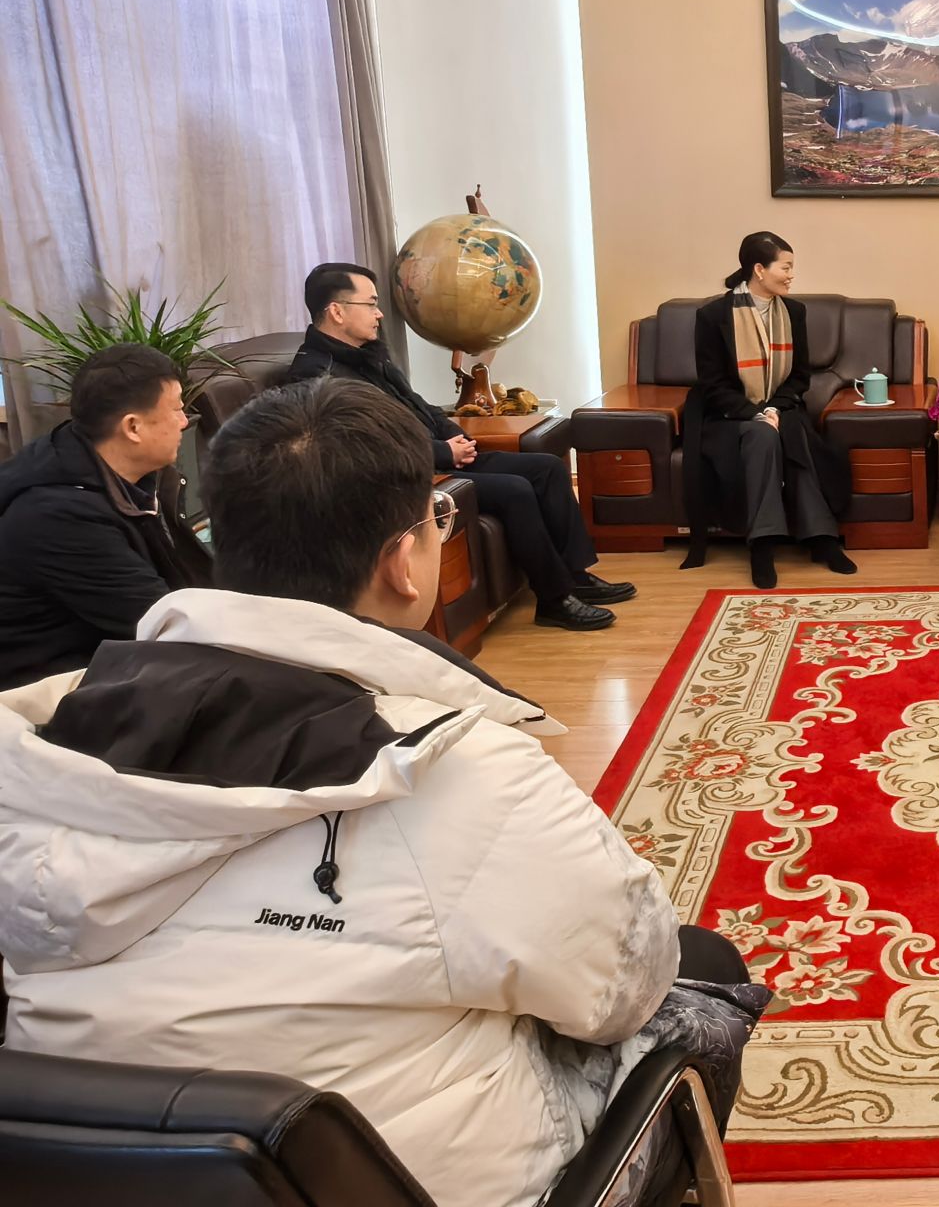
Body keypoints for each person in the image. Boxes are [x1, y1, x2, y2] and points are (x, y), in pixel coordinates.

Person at [0, 378, 760, 1207]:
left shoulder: (42, 733)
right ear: (403, 562)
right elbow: (624, 991)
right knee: (701, 975)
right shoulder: (465, 776)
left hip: (98, 1179)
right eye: (438, 520)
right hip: (425, 1183)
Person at [285, 263, 631, 631]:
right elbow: (362, 449)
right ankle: (554, 599)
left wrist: (456, 437)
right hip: (406, 475)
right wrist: (442, 452)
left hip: (436, 455)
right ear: (337, 312)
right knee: (515, 490)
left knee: (545, 468)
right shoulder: (316, 376)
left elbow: (418, 405)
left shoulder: (368, 354)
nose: (379, 313)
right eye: (370, 304)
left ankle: (574, 576)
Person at [0, 342, 211, 686]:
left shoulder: (105, 466)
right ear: (133, 427)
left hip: (107, 657)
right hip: (46, 690)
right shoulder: (59, 518)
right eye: (176, 409)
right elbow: (163, 622)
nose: (184, 421)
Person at [681, 231, 854, 590]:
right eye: (785, 267)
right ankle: (762, 545)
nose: (791, 275)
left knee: (792, 432)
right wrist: (755, 413)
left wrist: (774, 407)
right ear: (759, 269)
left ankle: (822, 538)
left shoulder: (794, 312)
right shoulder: (713, 316)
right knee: (763, 435)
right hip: (729, 415)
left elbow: (800, 376)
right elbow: (713, 384)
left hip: (781, 407)